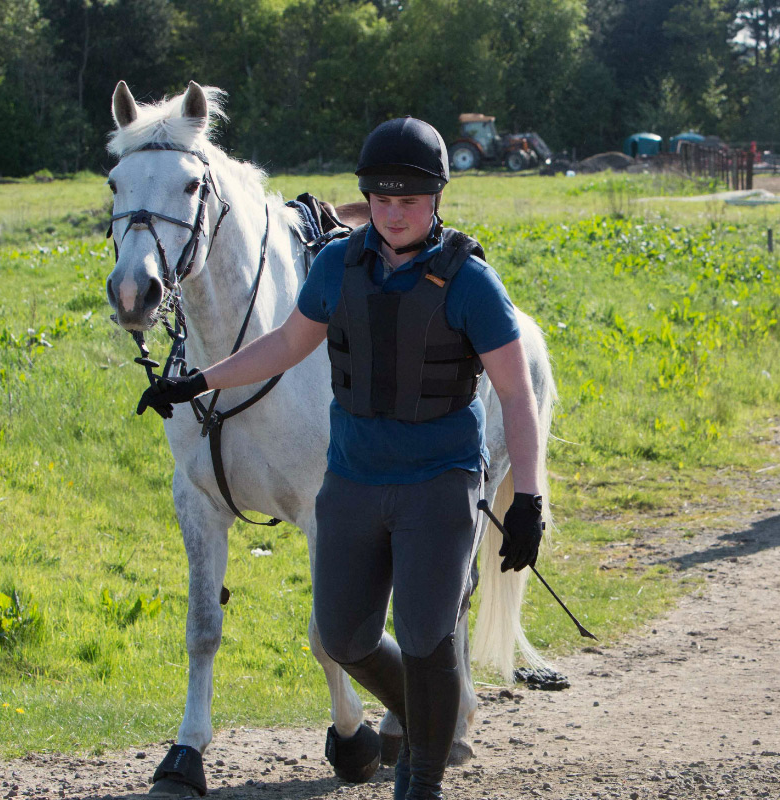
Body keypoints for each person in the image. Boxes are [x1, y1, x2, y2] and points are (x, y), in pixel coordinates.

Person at [135, 117, 546, 800]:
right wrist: (195, 382)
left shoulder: (471, 282)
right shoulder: (337, 265)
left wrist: (526, 497)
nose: (393, 215)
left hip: (436, 484)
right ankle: (428, 714)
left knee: (425, 637)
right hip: (353, 482)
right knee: (344, 635)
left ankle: (421, 775)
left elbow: (516, 395)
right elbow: (285, 346)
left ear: (436, 199)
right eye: (381, 200)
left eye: (408, 201)